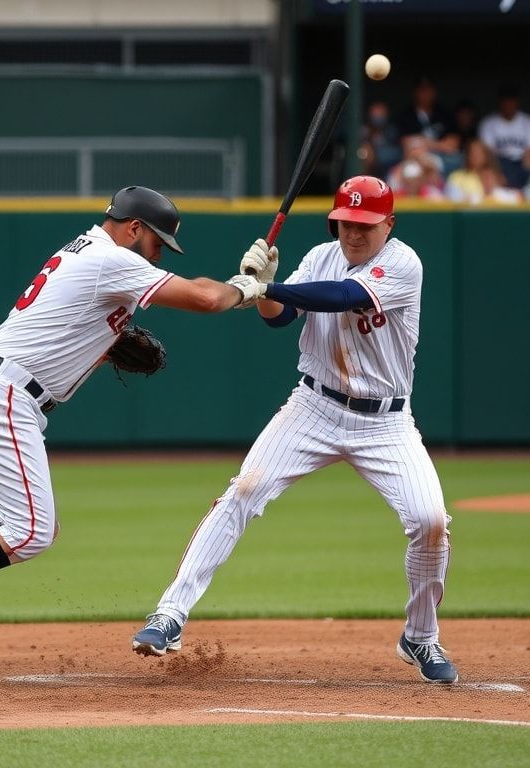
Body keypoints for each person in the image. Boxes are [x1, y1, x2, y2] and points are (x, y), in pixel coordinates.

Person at [0, 186, 262, 678]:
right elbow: (204, 298)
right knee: (32, 530)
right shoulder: (112, 258)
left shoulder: (87, 251)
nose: (158, 256)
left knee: (28, 527)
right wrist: (245, 286)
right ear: (134, 228)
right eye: (158, 244)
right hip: (2, 392)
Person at [129, 176, 460, 685]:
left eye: (366, 224)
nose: (354, 232)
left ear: (387, 224)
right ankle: (169, 615)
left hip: (386, 423)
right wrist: (264, 288)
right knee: (243, 490)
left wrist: (260, 288)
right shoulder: (319, 256)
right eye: (346, 222)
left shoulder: (403, 263)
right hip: (314, 407)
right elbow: (280, 319)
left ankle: (420, 636)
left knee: (430, 520)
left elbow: (344, 296)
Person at [393, 75, 461, 172]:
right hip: (416, 158)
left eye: (429, 90)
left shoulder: (444, 114)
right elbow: (407, 144)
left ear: (434, 92)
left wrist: (423, 143)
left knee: (457, 160)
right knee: (411, 167)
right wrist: (441, 145)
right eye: (422, 90)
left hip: (443, 159)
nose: (426, 94)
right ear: (415, 92)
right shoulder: (405, 116)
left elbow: (453, 144)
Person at [479, 82, 530, 188]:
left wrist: (525, 172)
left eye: (511, 100)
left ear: (517, 102)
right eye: (505, 101)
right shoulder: (488, 123)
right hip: (499, 162)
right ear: (499, 102)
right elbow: (488, 153)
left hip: (521, 161)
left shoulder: (528, 122)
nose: (508, 104)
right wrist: (497, 172)